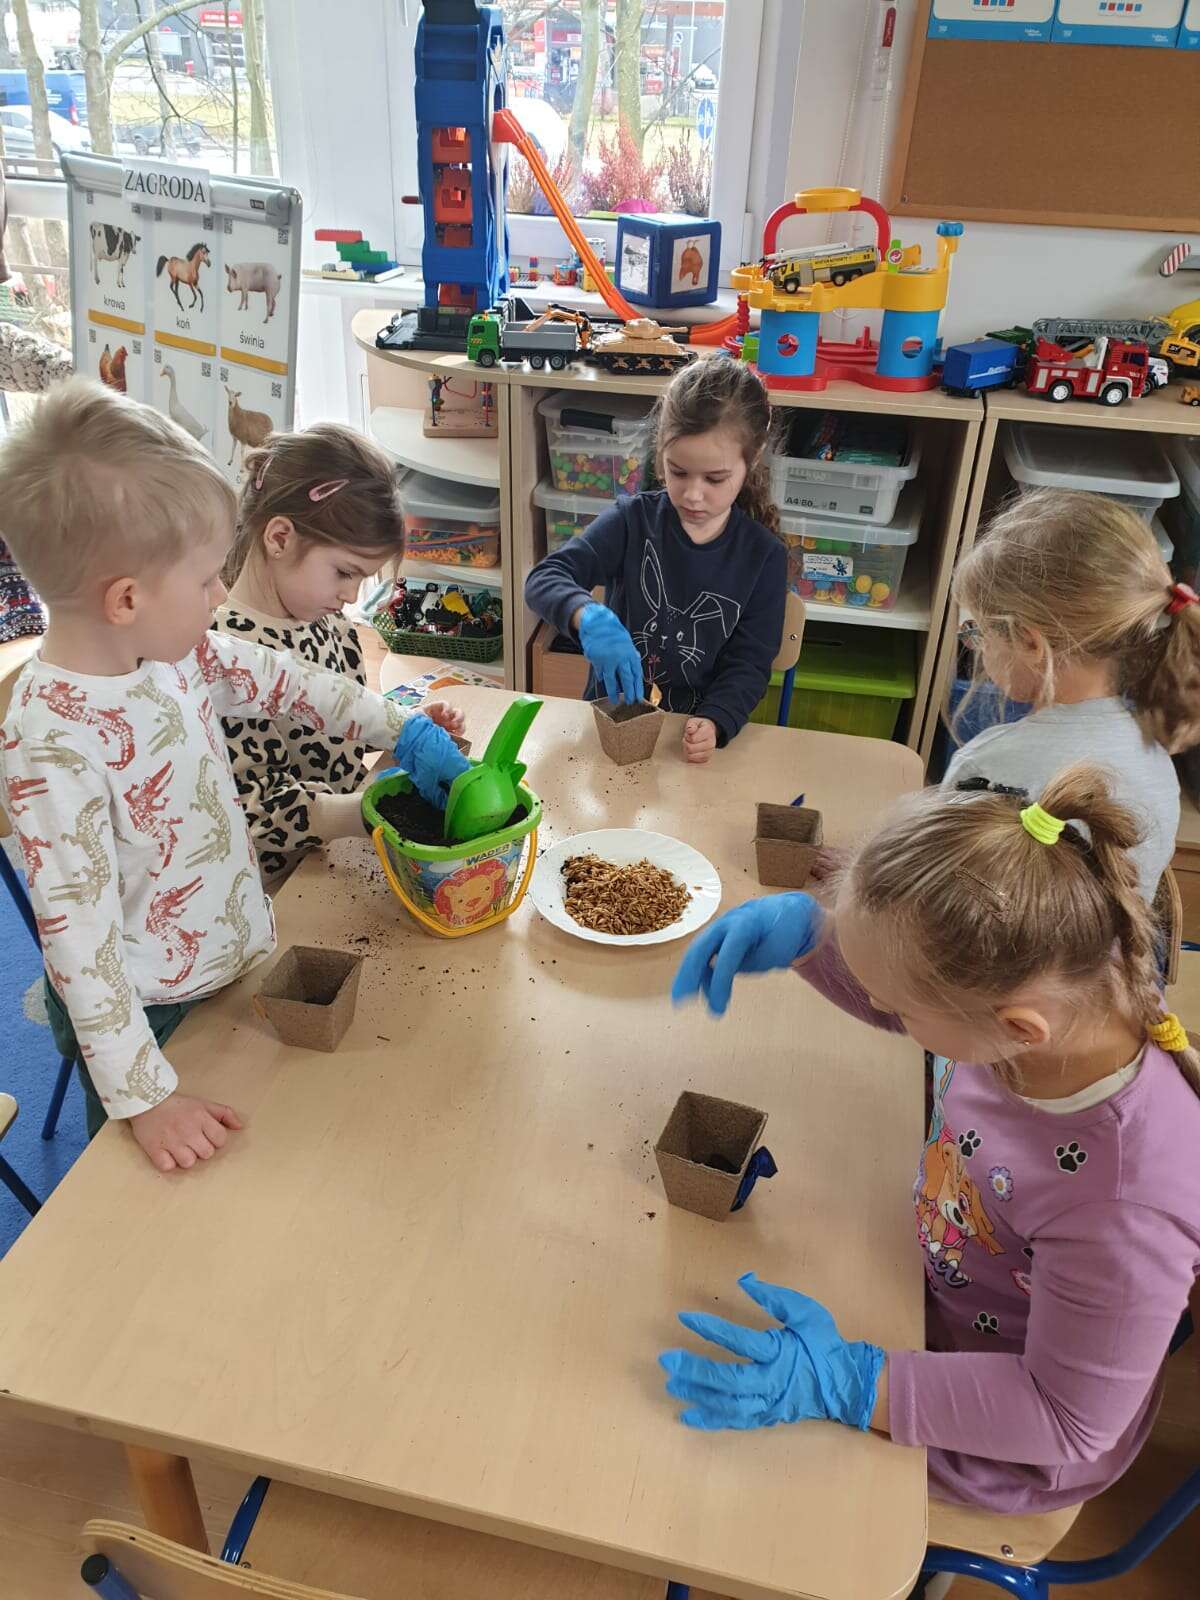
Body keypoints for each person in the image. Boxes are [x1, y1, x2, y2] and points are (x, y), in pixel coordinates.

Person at [667, 765, 1200, 1527]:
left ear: (1017, 1029)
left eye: (893, 1003)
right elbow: (937, 1005)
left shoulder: (1124, 1204)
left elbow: (1065, 1421)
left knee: (730, 1499)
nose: (877, 1005)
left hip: (1003, 1424)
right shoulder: (1058, 985)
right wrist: (813, 940)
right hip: (939, 1285)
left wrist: (851, 1384)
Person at [0, 380, 468, 1173]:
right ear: (126, 599)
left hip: (229, 955)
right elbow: (82, 949)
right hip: (148, 1014)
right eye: (205, 580)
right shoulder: (51, 744)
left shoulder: (170, 651)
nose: (221, 594)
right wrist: (145, 1100)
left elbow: (288, 682)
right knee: (154, 1202)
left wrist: (399, 729)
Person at [213, 423, 464, 887]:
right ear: (280, 538)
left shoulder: (333, 627)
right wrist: (363, 812)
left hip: (340, 859)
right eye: (345, 573)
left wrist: (398, 726)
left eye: (362, 579)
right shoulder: (226, 658)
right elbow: (255, 809)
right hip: (281, 886)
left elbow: (341, 736)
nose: (351, 595)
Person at [524, 357, 786, 764]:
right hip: (611, 731)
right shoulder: (633, 521)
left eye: (714, 479)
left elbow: (749, 664)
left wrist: (717, 719)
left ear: (751, 461)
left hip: (688, 740)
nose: (693, 494)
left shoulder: (763, 557)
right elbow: (545, 578)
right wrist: (587, 615)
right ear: (660, 451)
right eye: (678, 472)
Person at [946, 489, 1199, 903]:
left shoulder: (988, 765)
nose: (979, 648)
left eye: (980, 632)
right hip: (1122, 945)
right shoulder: (1155, 758)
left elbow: (944, 903)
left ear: (1031, 643)